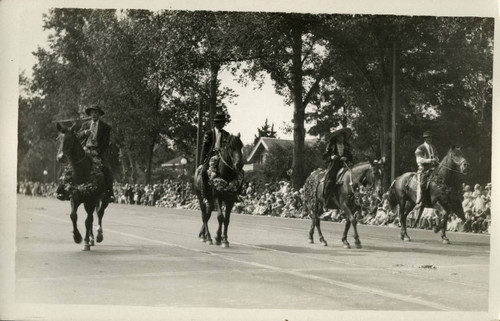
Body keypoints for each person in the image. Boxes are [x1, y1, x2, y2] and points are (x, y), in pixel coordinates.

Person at [77, 105, 115, 202]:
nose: (94, 114)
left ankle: (110, 193)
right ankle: (63, 190)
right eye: (92, 112)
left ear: (99, 115)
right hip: (84, 150)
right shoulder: (85, 125)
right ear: (90, 114)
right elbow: (77, 136)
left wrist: (97, 152)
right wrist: (84, 133)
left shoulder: (105, 127)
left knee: (108, 169)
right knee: (70, 166)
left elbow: (105, 143)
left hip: (97, 152)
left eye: (96, 113)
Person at [200, 112, 230, 197]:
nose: (223, 124)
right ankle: (205, 194)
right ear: (216, 123)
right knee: (203, 172)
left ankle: (234, 194)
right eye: (221, 122)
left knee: (235, 172)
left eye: (223, 122)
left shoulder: (227, 134)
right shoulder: (208, 133)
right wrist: (202, 161)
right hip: (211, 156)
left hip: (223, 157)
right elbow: (204, 148)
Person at [412, 130, 439, 215]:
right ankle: (419, 200)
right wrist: (430, 160)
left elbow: (437, 157)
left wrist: (437, 160)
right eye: (427, 138)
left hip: (433, 169)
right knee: (422, 183)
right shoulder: (420, 148)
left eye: (430, 137)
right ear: (424, 139)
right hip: (423, 169)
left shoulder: (434, 147)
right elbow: (419, 159)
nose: (429, 139)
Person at [322, 127, 353, 200]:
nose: (341, 138)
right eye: (339, 136)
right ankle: (326, 199)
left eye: (342, 136)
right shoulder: (331, 146)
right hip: (334, 166)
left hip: (345, 165)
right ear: (336, 137)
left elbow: (351, 157)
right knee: (330, 181)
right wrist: (331, 157)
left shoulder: (346, 146)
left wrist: (346, 158)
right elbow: (325, 156)